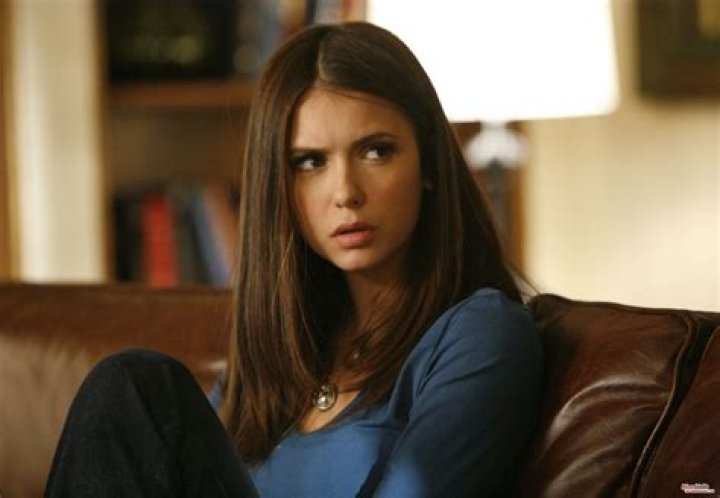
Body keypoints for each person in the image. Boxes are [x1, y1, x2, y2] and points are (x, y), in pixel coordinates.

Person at [45, 22, 542, 497]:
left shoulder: (482, 334)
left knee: (136, 385)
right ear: (278, 187)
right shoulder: (277, 352)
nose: (345, 192)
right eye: (310, 162)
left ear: (429, 162)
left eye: (376, 151)